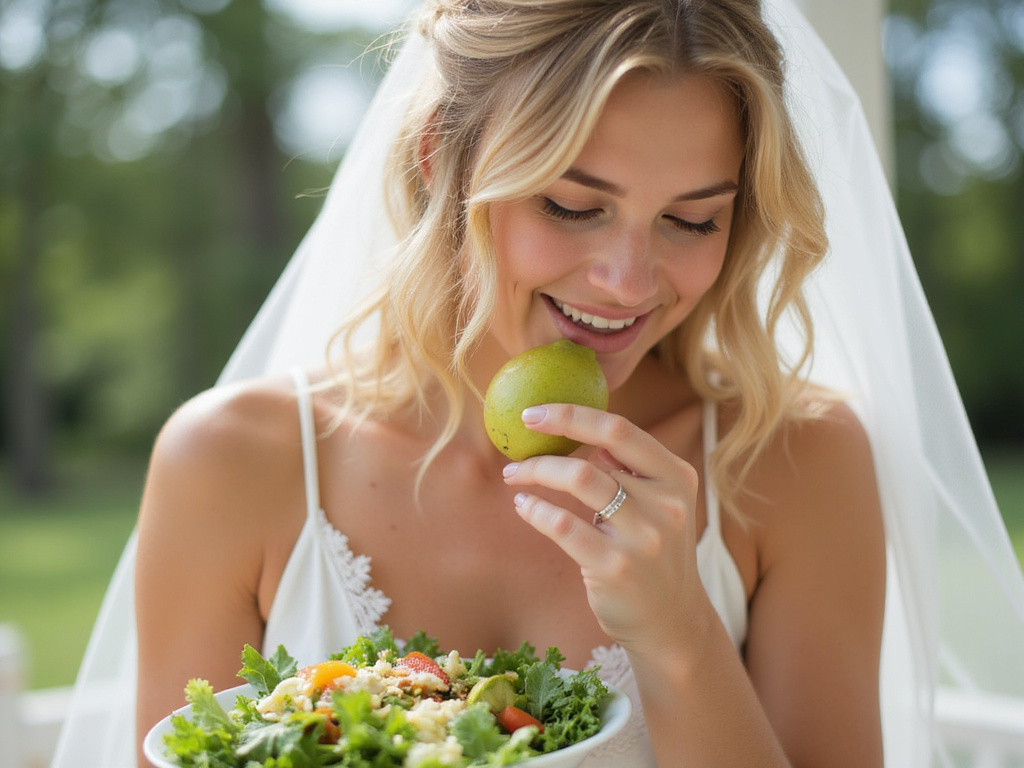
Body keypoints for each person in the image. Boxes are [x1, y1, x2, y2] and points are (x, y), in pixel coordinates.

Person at [51, 1, 1024, 767]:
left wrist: (679, 628)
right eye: (572, 203)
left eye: (691, 220)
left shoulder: (796, 463)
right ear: (443, 160)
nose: (628, 281)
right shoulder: (235, 463)